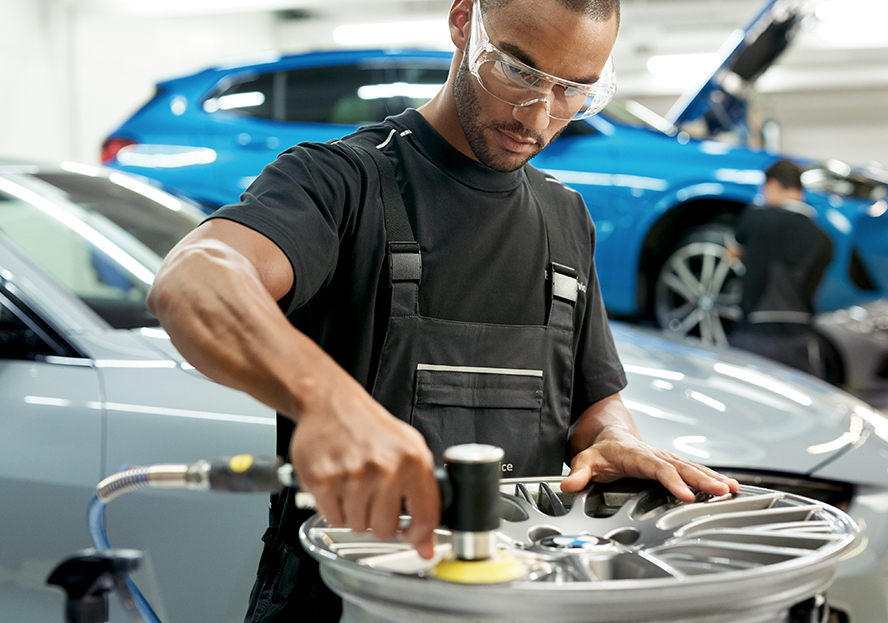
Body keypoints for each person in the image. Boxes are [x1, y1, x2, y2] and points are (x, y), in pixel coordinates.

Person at [147, 0, 740, 620]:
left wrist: (613, 438)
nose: (538, 117)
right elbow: (195, 279)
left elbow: (592, 401)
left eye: (574, 92)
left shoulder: (567, 219)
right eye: (520, 72)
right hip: (349, 601)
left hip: (520, 599)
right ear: (463, 22)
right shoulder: (340, 182)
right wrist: (326, 401)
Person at [727, 159, 834, 378]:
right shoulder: (824, 239)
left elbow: (732, 252)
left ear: (773, 185)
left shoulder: (756, 218)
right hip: (801, 344)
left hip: (753, 338)